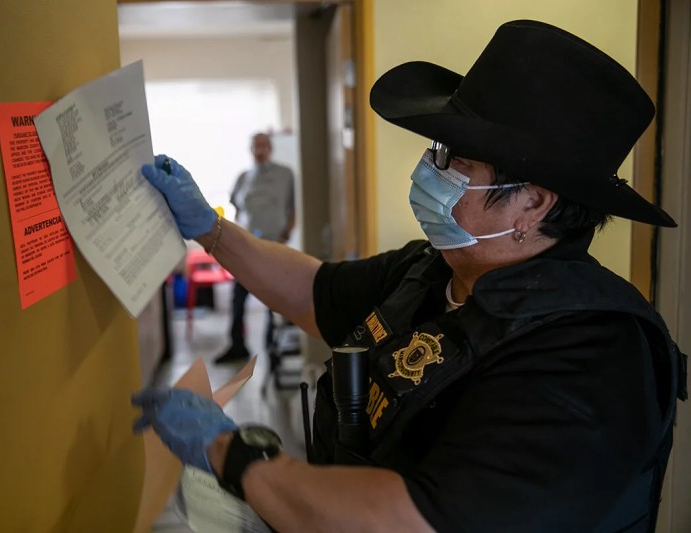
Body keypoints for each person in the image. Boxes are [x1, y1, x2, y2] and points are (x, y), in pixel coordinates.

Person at [134, 20, 687, 532]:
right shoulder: (432, 270)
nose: (431, 169)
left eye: (457, 162)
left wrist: (234, 457)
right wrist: (212, 230)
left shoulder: (591, 354)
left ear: (532, 204)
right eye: (438, 150)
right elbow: (315, 290)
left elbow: (415, 521)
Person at [215, 132, 296, 364]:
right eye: (255, 146)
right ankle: (237, 345)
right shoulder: (243, 177)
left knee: (273, 299)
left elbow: (292, 209)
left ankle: (273, 347)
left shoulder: (285, 175)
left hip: (273, 247)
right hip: (246, 249)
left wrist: (285, 235)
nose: (259, 150)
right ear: (251, 149)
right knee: (238, 299)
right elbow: (236, 208)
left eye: (263, 146)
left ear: (270, 148)